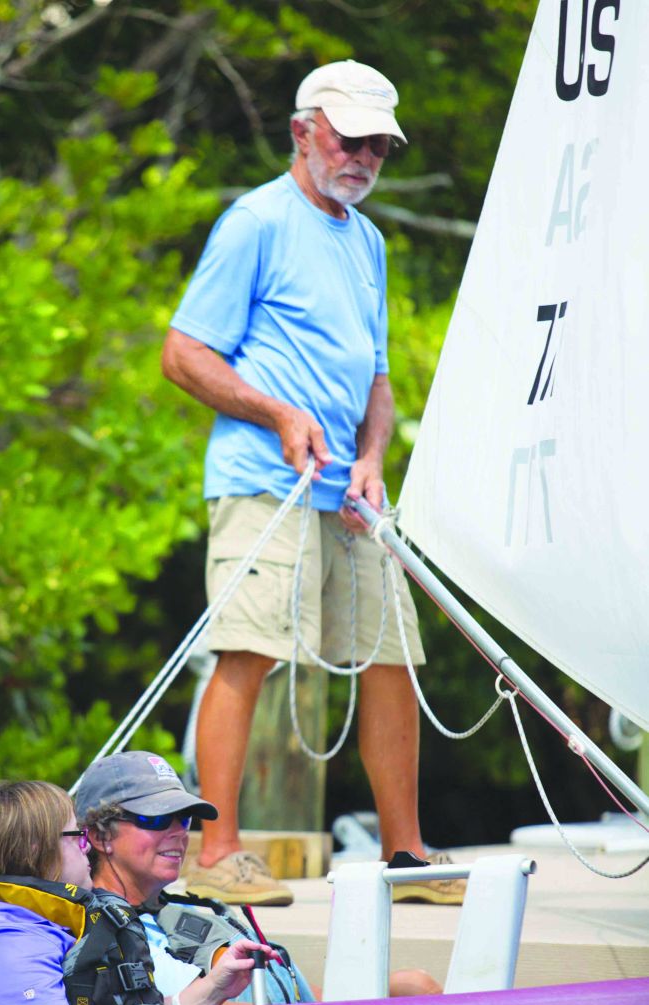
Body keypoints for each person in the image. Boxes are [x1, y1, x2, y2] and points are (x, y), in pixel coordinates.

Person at [161, 59, 464, 908]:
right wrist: (278, 415)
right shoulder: (255, 221)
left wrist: (373, 457)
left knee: (393, 656)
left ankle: (408, 857)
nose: (365, 156)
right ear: (304, 131)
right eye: (351, 137)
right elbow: (183, 354)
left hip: (351, 494)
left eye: (381, 145)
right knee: (248, 650)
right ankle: (215, 851)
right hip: (266, 482)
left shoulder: (367, 241)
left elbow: (377, 379)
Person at [75, 750, 440, 1001]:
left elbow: (289, 997)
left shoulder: (177, 911)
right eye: (154, 818)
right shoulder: (109, 935)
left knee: (415, 986)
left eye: (183, 818)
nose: (178, 831)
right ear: (100, 835)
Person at [0, 778, 273, 1005]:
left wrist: (213, 988)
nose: (86, 849)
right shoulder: (8, 947)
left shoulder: (46, 929)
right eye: (77, 837)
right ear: (37, 850)